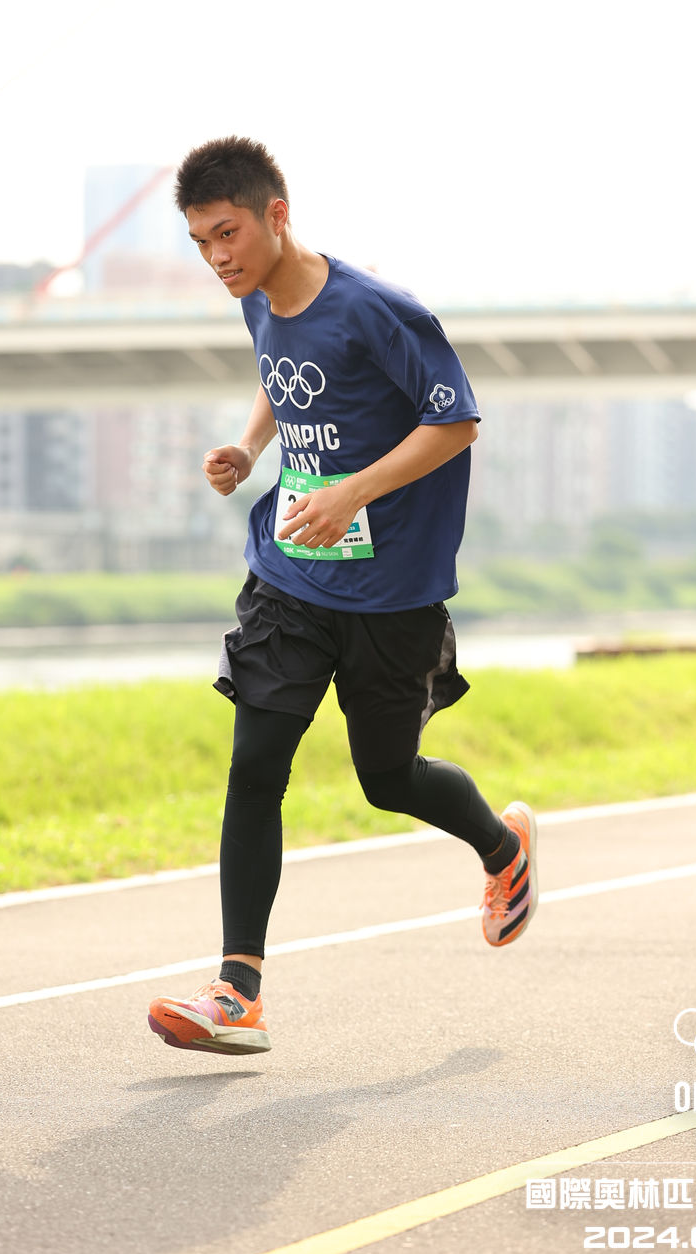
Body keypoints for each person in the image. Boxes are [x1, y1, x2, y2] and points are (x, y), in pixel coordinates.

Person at [147, 136, 538, 1055]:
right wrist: (250, 448)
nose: (217, 258)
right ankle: (237, 991)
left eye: (228, 234)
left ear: (276, 215)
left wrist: (352, 493)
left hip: (391, 591)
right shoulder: (256, 298)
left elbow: (456, 421)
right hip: (289, 575)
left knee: (388, 778)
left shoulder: (377, 312)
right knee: (255, 766)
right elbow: (282, 377)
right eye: (201, 242)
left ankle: (502, 846)